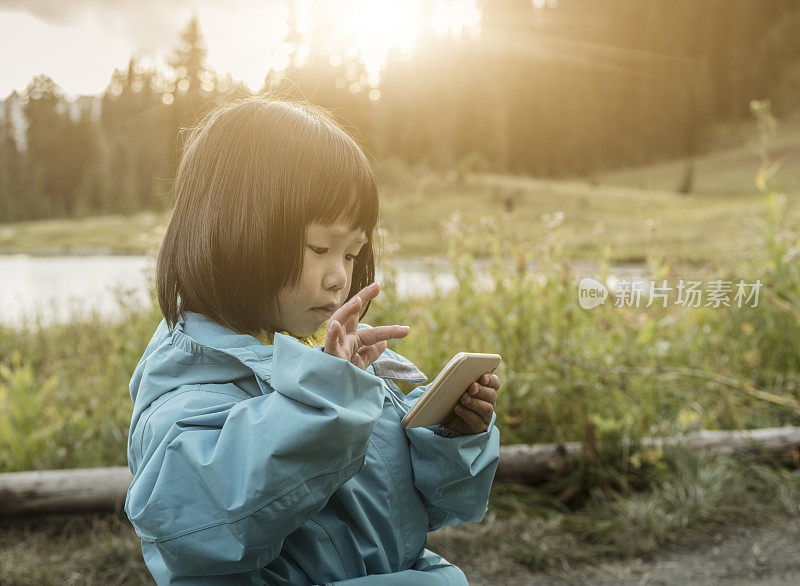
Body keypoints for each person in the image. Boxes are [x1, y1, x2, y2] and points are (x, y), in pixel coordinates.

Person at [124, 95, 501, 585]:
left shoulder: (332, 359)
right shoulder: (186, 394)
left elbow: (412, 505)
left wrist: (450, 434)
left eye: (351, 253)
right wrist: (329, 401)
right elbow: (196, 529)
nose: (338, 279)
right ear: (237, 233)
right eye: (320, 248)